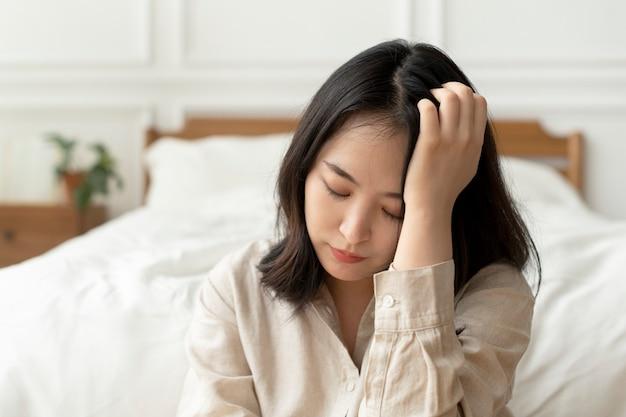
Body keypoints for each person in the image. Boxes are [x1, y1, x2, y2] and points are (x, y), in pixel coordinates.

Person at [175, 39, 540, 417]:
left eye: (394, 210)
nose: (353, 231)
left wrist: (428, 209)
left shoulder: (493, 296)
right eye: (337, 189)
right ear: (303, 166)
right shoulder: (238, 289)